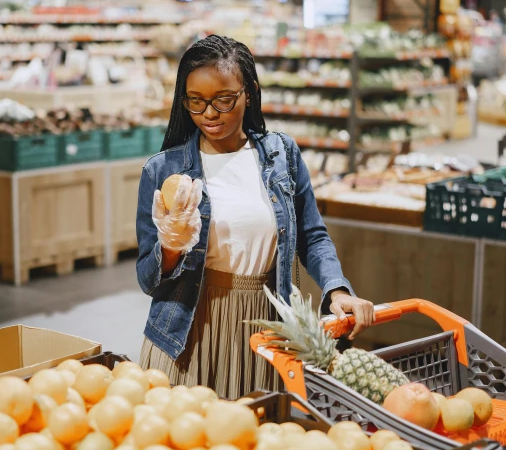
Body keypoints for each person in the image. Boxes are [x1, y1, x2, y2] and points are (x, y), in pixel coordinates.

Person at [135, 35, 375, 400]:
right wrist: (171, 245)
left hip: (263, 325)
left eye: (223, 100)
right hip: (187, 329)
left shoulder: (283, 155)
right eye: (196, 102)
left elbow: (312, 236)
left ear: (249, 92)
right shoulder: (163, 170)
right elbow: (148, 278)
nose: (209, 114)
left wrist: (336, 289)